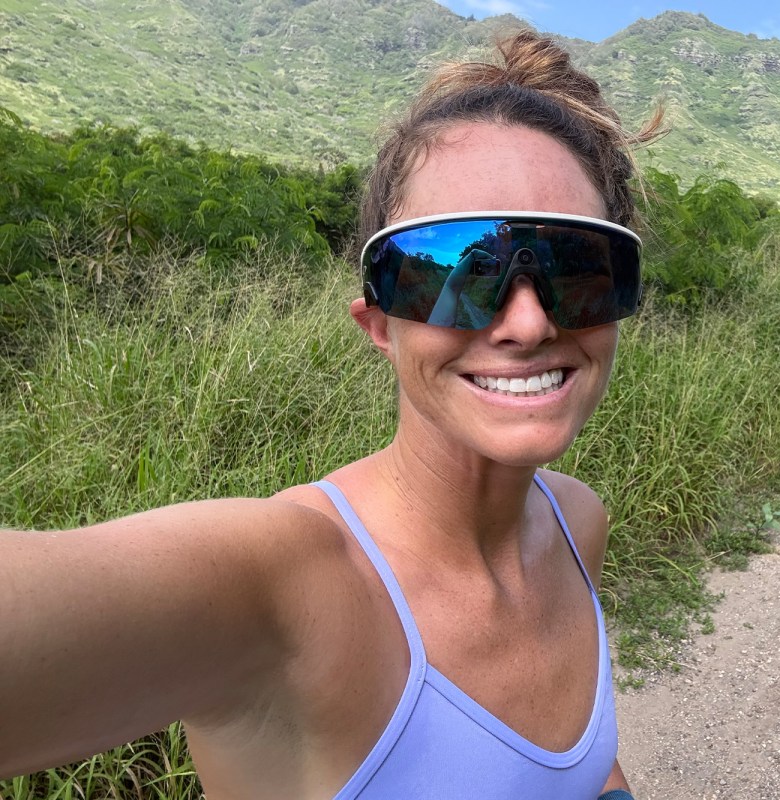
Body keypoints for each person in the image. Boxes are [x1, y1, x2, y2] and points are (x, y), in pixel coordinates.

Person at [0, 30, 663, 799]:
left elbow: (583, 771)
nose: (526, 324)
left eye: (580, 269)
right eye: (454, 271)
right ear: (379, 325)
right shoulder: (284, 586)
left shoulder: (578, 523)